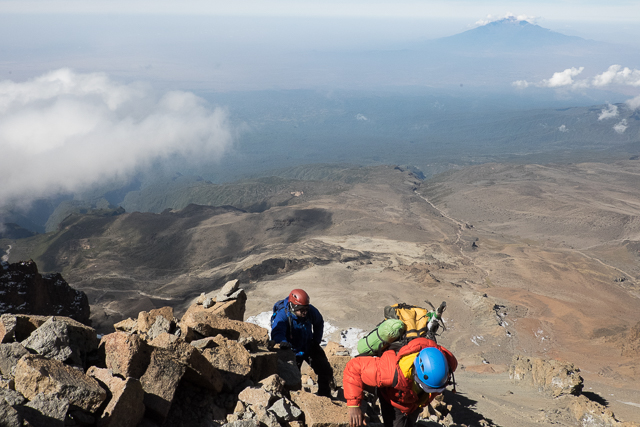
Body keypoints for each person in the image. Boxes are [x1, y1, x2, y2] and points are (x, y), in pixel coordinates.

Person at [343, 337, 457, 427]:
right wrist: (353, 405)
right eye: (426, 387)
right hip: (393, 398)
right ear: (415, 373)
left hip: (415, 400)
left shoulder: (446, 365)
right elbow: (353, 367)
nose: (432, 392)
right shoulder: (389, 371)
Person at [271, 288, 334, 397]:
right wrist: (283, 342)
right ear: (292, 307)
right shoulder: (283, 315)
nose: (305, 312)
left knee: (325, 370)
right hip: (292, 350)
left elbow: (319, 322)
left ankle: (325, 397)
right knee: (292, 379)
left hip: (308, 345)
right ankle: (295, 401)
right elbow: (277, 331)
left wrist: (316, 341)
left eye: (306, 308)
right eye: (301, 309)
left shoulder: (311, 311)